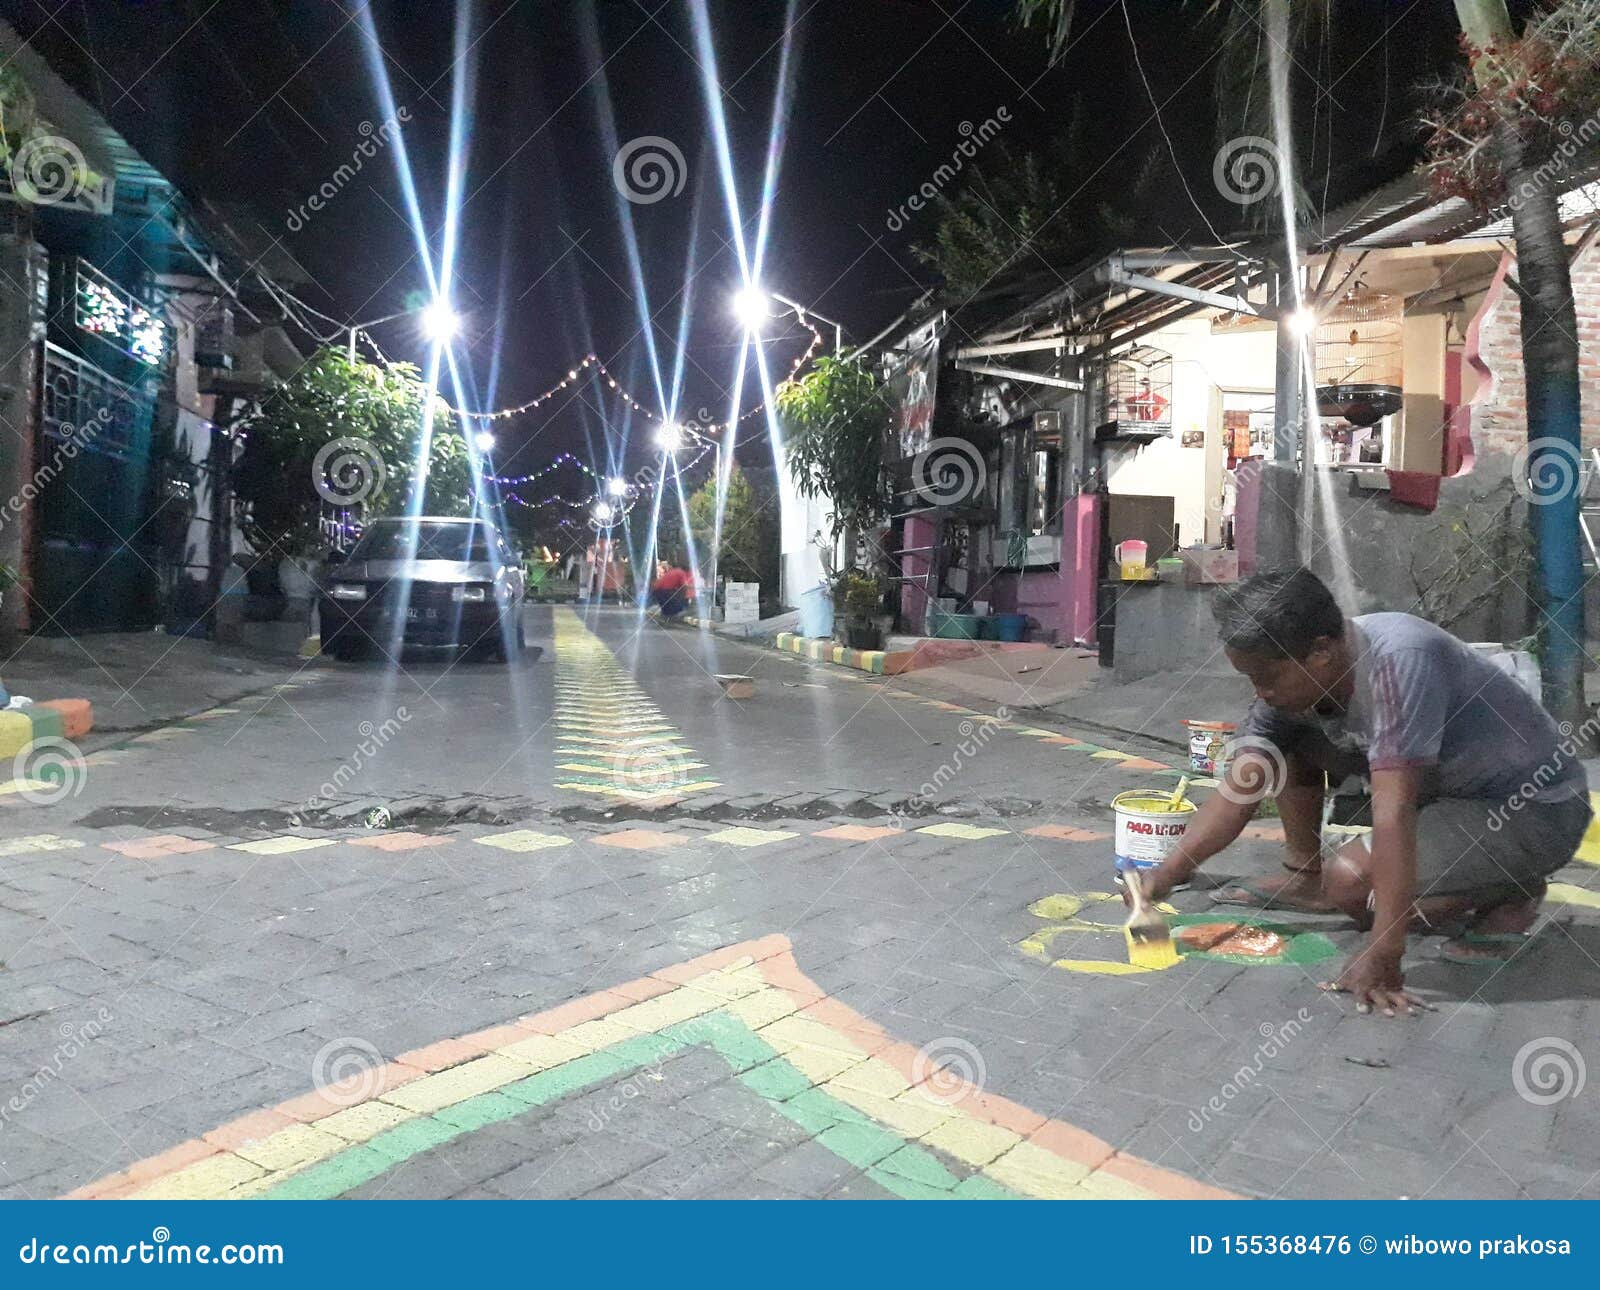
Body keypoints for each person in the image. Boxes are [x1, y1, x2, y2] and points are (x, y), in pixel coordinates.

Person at [1133, 567, 1591, 1018]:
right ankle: (1303, 874)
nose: (1261, 692)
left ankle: (1511, 891)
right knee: (1287, 742)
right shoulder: (1300, 677)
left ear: (1320, 652)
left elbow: (1395, 816)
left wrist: (1385, 951)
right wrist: (1166, 875)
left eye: (1267, 676)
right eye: (1251, 679)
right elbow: (1243, 785)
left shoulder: (1399, 664)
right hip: (1448, 799)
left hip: (1533, 810)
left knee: (1352, 885)